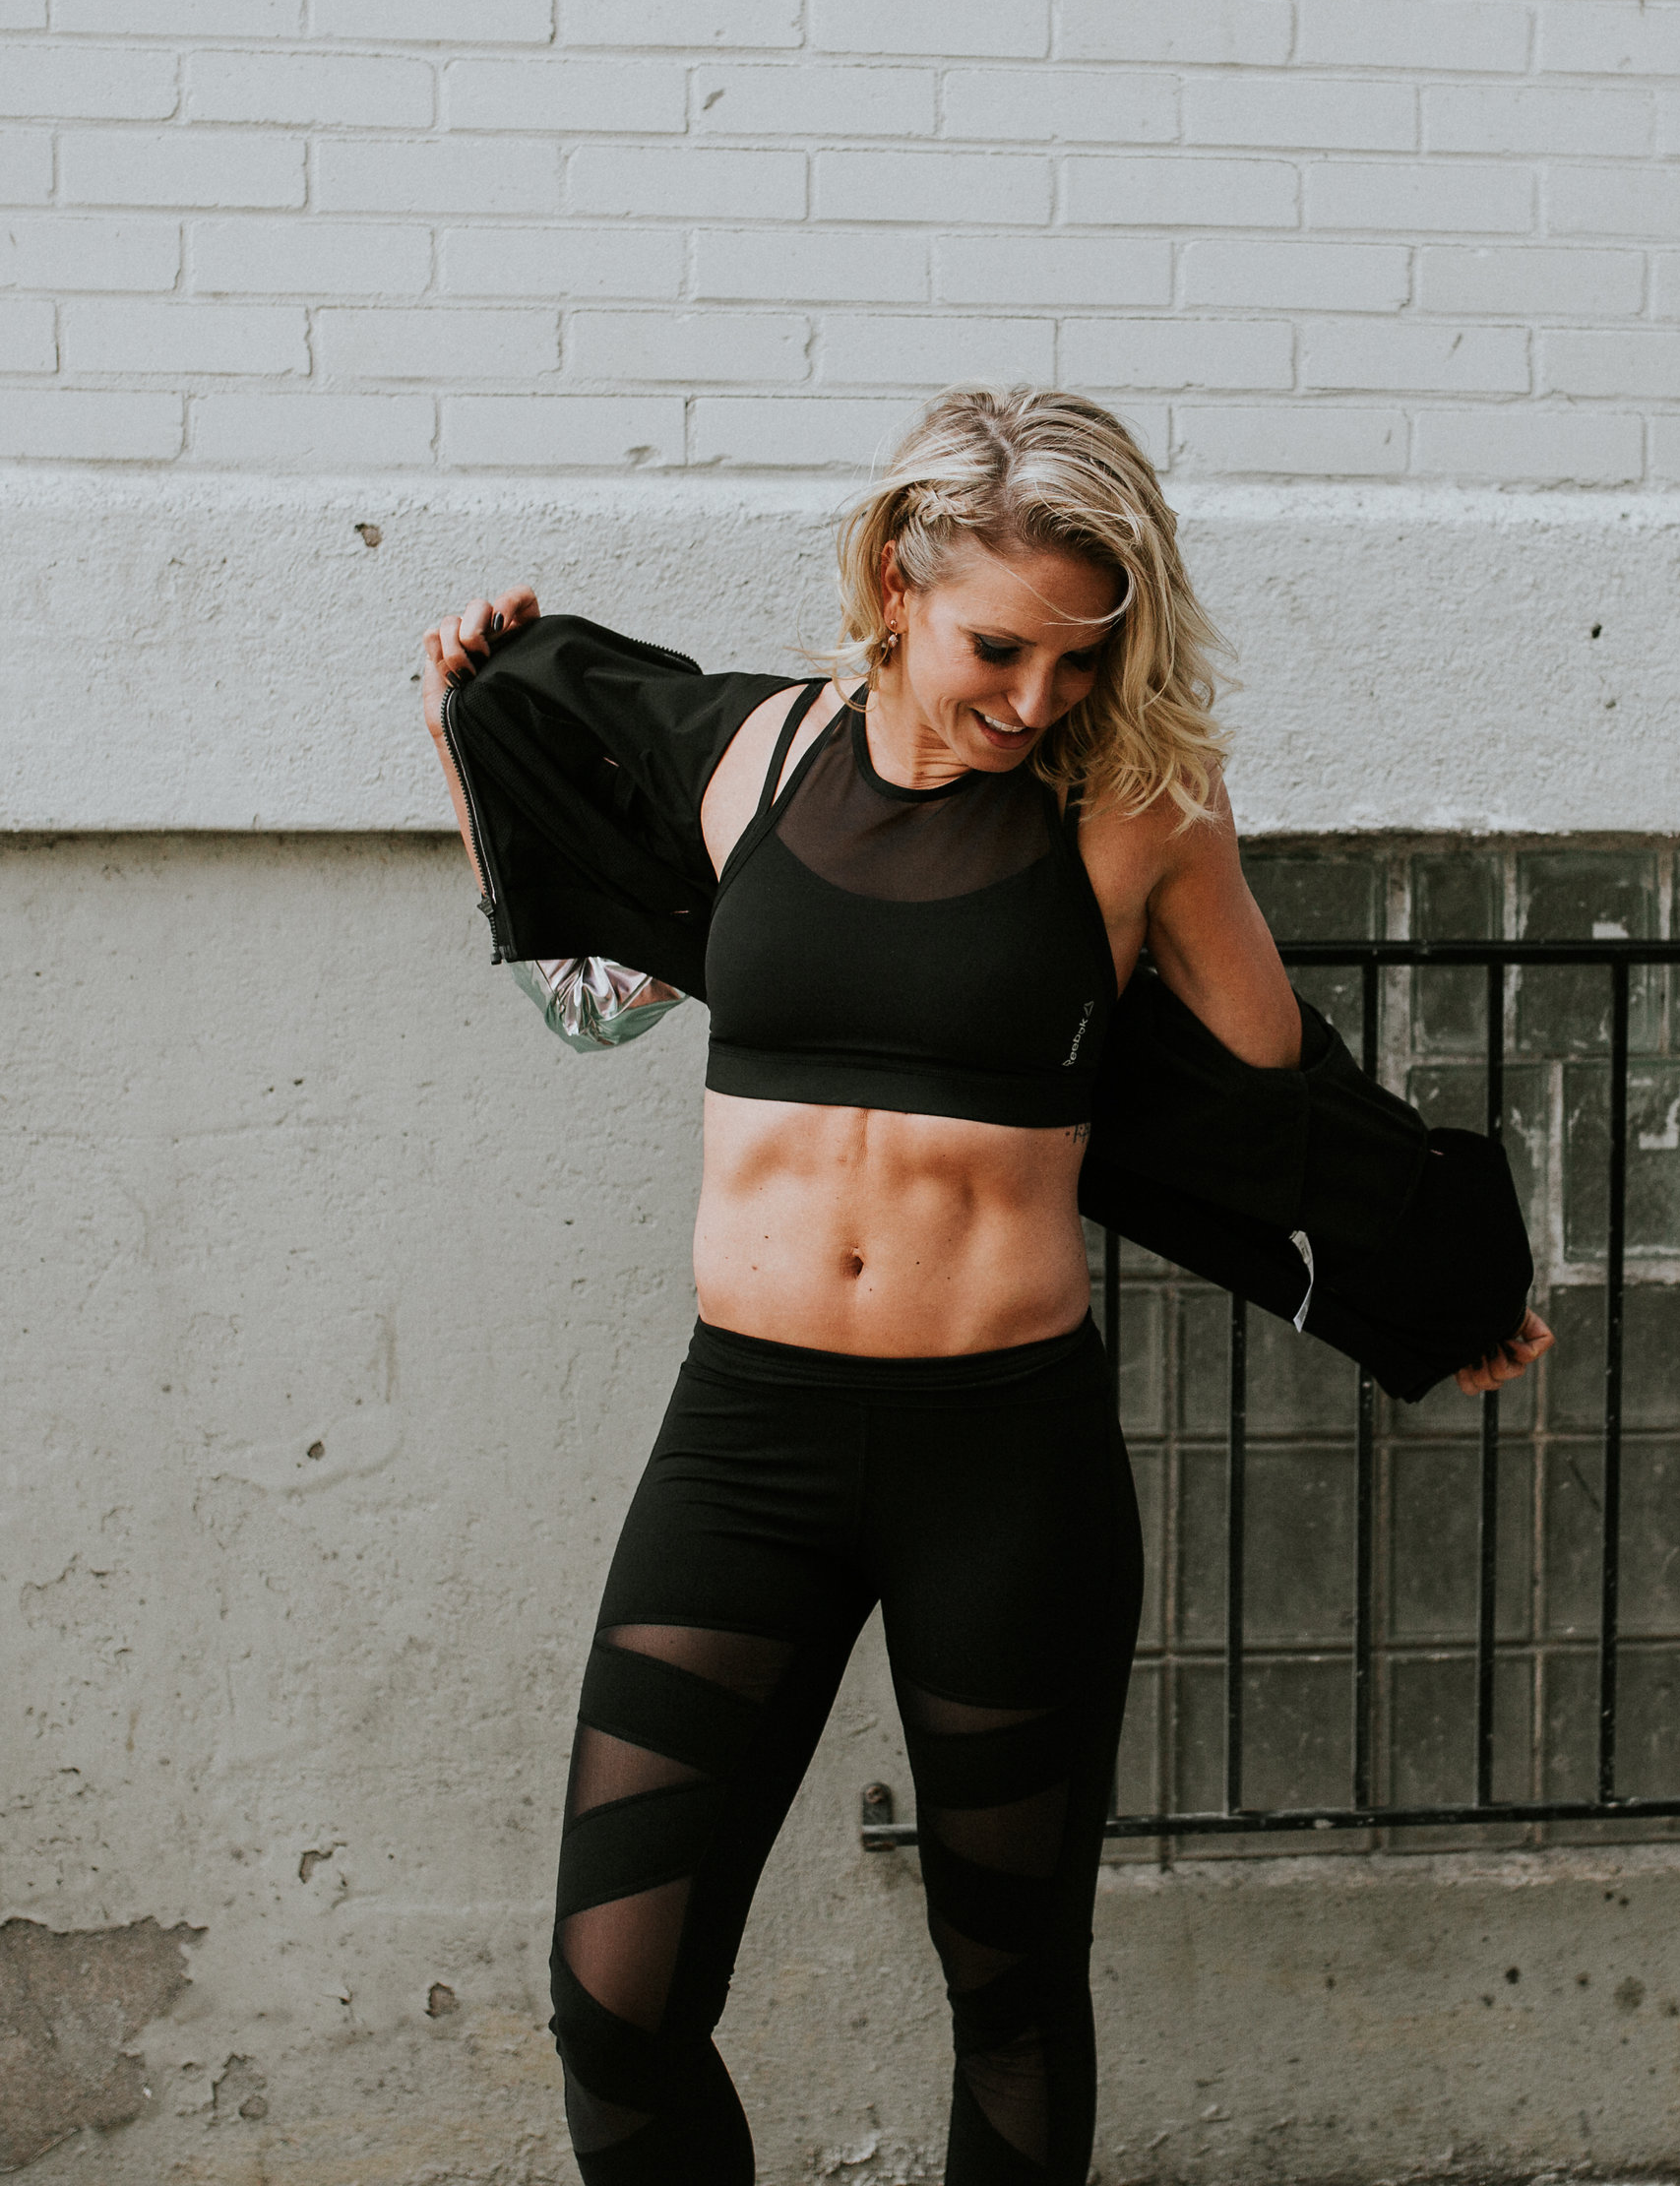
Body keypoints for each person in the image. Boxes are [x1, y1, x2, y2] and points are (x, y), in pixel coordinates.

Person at [415, 387, 1550, 2186]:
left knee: (1009, 1990)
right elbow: (595, 1003)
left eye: (1082, 660)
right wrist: (474, 744)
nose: (1038, 700)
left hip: (1004, 1466)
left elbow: (1276, 1113)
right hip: (746, 1447)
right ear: (897, 579)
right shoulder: (749, 758)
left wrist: (1439, 1292)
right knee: (615, 2000)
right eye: (1001, 648)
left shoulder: (1138, 814)